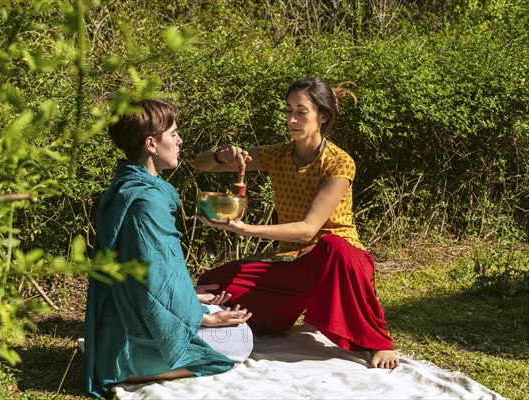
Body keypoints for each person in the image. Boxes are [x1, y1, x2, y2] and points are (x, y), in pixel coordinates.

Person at [192, 77, 399, 369]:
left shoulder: (339, 162)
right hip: (291, 262)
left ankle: (377, 341)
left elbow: (308, 230)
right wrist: (221, 155)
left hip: (338, 263)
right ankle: (260, 321)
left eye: (301, 111)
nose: (292, 119)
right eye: (289, 110)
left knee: (332, 246)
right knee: (216, 281)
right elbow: (198, 163)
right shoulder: (276, 155)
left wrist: (245, 228)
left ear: (322, 117)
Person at [82, 99, 253, 398]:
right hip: (132, 339)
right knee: (240, 341)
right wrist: (205, 318)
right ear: (151, 143)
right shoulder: (147, 202)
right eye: (173, 133)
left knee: (219, 312)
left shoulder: (127, 185)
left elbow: (146, 274)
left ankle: (126, 361)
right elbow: (155, 281)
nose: (179, 140)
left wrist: (190, 294)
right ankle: (128, 370)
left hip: (120, 321)